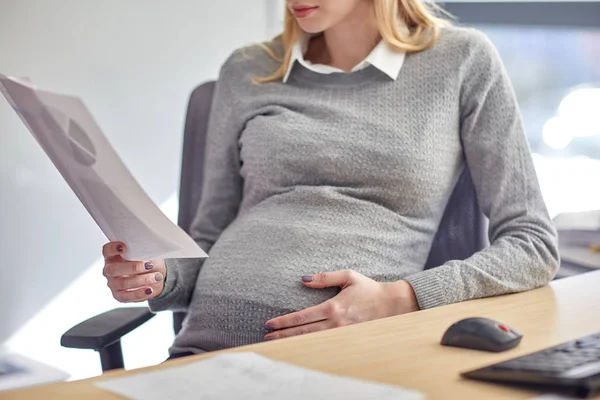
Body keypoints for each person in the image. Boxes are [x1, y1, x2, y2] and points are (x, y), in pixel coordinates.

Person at [102, 0, 559, 357]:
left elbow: (533, 244)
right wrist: (157, 276)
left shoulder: (462, 61)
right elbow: (207, 236)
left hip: (343, 359)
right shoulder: (248, 69)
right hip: (201, 356)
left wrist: (402, 298)